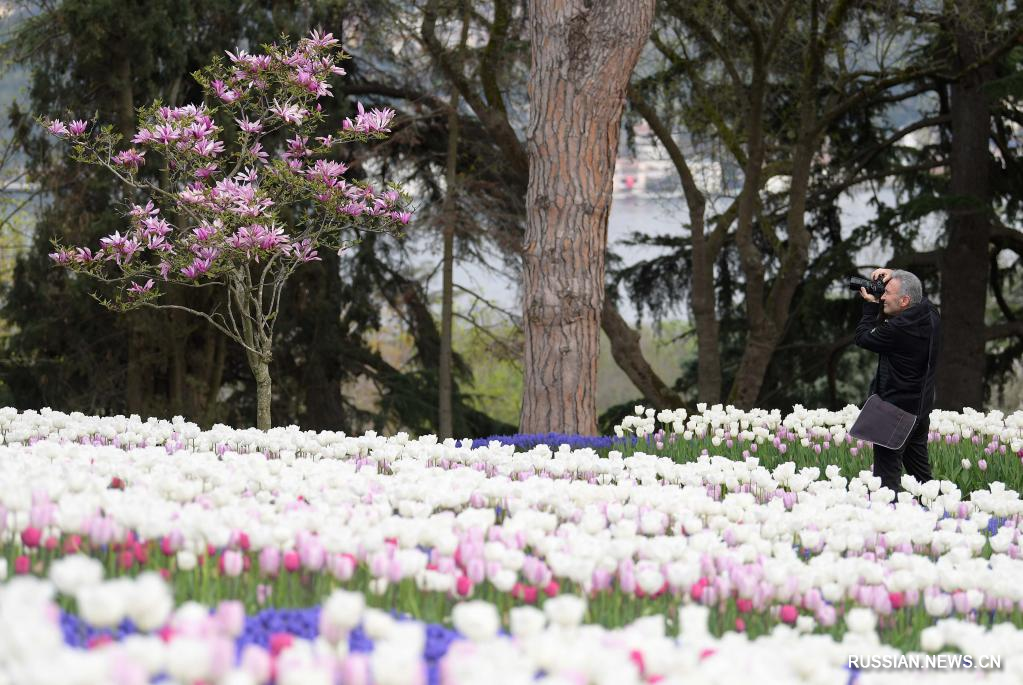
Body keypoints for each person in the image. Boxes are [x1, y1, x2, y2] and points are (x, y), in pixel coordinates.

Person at [853, 268, 940, 492]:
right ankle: (943, 516)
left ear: (904, 300)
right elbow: (920, 294)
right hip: (918, 413)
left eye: (886, 292)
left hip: (894, 412)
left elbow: (863, 338)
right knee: (923, 481)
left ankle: (889, 523)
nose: (881, 296)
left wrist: (869, 307)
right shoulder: (930, 314)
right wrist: (894, 274)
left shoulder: (899, 329)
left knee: (885, 482)